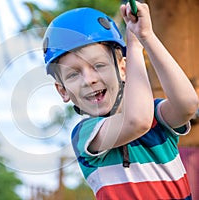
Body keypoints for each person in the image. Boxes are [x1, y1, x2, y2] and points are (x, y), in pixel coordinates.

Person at [42, 2, 198, 200]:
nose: (89, 80)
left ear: (123, 69)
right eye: (73, 75)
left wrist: (147, 37)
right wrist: (134, 46)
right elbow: (137, 122)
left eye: (98, 65)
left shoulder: (155, 115)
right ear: (62, 91)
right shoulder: (85, 135)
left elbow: (187, 105)